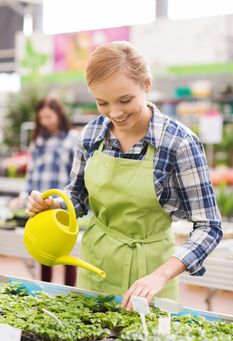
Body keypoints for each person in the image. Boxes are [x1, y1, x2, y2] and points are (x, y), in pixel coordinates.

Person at [26, 41, 222, 310]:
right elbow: (78, 196)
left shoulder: (179, 143)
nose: (115, 113)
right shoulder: (91, 135)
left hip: (152, 276)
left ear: (147, 85)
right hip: (95, 266)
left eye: (125, 100)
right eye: (102, 103)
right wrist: (55, 206)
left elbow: (209, 225)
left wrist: (160, 275)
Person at [15, 97, 79, 286]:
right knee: (45, 252)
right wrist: (23, 196)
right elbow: (31, 173)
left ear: (59, 114)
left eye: (49, 116)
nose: (45, 121)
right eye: (42, 117)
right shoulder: (38, 141)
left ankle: (68, 293)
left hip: (62, 205)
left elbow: (77, 177)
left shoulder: (72, 139)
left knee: (67, 253)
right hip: (41, 204)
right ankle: (45, 292)